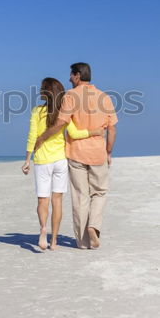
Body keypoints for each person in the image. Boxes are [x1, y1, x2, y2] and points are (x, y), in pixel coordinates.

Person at [34, 63, 118, 249]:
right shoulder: (104, 97)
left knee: (80, 196)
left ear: (78, 75)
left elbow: (61, 122)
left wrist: (41, 138)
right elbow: (112, 128)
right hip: (98, 153)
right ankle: (94, 226)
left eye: (71, 76)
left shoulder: (70, 96)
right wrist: (109, 151)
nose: (69, 79)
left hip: (76, 154)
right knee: (99, 192)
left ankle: (82, 241)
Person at [21, 77, 105, 251]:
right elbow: (74, 133)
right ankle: (54, 242)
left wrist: (27, 159)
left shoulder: (37, 111)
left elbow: (32, 136)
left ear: (45, 93)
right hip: (60, 160)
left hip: (42, 161)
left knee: (43, 200)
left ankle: (43, 229)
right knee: (57, 201)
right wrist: (94, 131)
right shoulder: (63, 111)